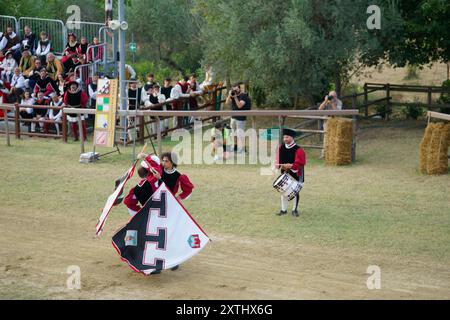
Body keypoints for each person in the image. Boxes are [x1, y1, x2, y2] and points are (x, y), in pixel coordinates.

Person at [274, 128, 306, 217]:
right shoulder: (281, 148)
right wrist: (278, 165)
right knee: (283, 191)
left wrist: (291, 166)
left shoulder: (299, 150)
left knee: (295, 191)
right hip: (285, 172)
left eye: (287, 137)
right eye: (284, 137)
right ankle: (283, 210)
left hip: (296, 173)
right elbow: (278, 160)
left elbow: (300, 163)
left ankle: (294, 210)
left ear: (292, 138)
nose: (285, 139)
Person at [225, 83, 252, 154]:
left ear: (239, 88)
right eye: (234, 89)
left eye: (236, 89)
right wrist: (229, 95)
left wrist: (235, 97)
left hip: (241, 117)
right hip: (233, 117)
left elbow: (239, 106)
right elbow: (227, 103)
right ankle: (235, 147)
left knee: (240, 133)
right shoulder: (233, 94)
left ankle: (244, 149)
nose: (235, 91)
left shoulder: (244, 96)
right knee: (233, 133)